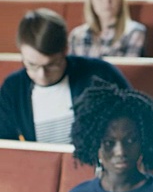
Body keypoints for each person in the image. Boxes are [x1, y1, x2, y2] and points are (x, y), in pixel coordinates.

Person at [0, 9, 129, 143]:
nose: (42, 75)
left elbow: (135, 120)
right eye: (32, 65)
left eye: (51, 65)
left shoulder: (100, 74)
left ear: (65, 50)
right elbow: (5, 143)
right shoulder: (13, 88)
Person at [68, 0, 147, 58]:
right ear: (91, 1)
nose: (107, 1)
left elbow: (129, 70)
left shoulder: (134, 33)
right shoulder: (77, 35)